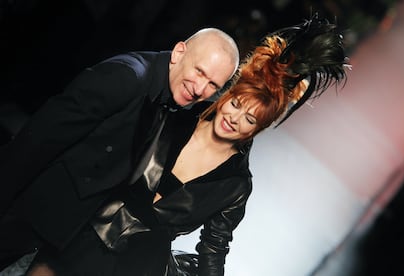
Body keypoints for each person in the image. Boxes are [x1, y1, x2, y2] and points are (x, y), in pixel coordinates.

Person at [16, 16, 347, 276]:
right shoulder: (173, 113)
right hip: (80, 236)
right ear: (228, 94)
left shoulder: (235, 186)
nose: (235, 118)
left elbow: (213, 252)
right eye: (237, 104)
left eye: (250, 119)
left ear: (258, 129)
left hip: (134, 269)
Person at [0, 27, 240, 272]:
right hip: (21, 212)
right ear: (179, 52)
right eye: (199, 71)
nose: (200, 89)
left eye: (213, 84)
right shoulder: (127, 77)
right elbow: (37, 141)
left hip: (49, 224)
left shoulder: (171, 102)